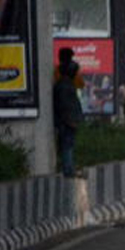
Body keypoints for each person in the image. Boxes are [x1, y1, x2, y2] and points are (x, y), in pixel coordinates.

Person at [52, 48, 83, 177]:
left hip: (64, 119)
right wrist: (72, 119)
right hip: (68, 119)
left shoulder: (60, 80)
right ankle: (68, 169)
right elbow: (66, 104)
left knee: (65, 144)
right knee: (67, 144)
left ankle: (67, 167)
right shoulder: (66, 84)